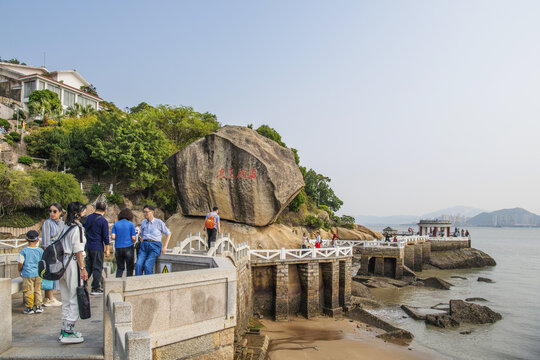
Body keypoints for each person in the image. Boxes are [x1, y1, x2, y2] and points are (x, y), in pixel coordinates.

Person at [58, 201, 88, 344]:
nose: (84, 212)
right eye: (82, 210)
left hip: (62, 264)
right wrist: (83, 268)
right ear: (77, 213)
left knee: (65, 297)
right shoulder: (77, 228)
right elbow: (78, 250)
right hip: (72, 264)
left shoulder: (65, 226)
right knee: (76, 296)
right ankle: (68, 332)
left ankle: (64, 329)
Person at [135, 205, 171, 276]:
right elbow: (142, 235)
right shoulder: (143, 222)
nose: (145, 214)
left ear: (152, 212)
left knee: (147, 265)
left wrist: (164, 247)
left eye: (147, 212)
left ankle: (148, 283)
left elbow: (168, 233)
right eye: (144, 212)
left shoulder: (159, 222)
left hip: (154, 245)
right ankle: (138, 283)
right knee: (138, 265)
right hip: (144, 245)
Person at [83, 202, 110, 295]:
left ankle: (83, 283)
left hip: (88, 246)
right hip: (97, 246)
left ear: (95, 208)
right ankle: (95, 287)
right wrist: (107, 249)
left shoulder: (88, 218)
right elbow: (106, 237)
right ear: (105, 210)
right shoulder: (103, 221)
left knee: (89, 266)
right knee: (97, 267)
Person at [41, 202, 64, 307]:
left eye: (54, 211)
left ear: (60, 212)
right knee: (49, 273)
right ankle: (48, 298)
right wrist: (48, 252)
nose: (52, 213)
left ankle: (49, 297)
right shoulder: (47, 223)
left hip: (59, 250)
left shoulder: (62, 223)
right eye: (50, 211)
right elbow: (45, 241)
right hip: (50, 251)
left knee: (55, 272)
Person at [18, 230, 44, 314]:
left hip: (27, 274)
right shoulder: (40, 251)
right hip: (38, 273)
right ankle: (38, 306)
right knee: (38, 290)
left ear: (26, 239)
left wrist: (19, 270)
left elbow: (20, 263)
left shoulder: (24, 251)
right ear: (37, 240)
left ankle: (29, 307)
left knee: (28, 290)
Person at [111, 208, 136, 278]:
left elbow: (113, 237)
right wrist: (134, 241)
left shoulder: (116, 224)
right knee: (130, 268)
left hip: (118, 248)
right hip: (129, 247)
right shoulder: (131, 225)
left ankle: (117, 283)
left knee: (120, 268)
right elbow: (133, 238)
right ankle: (128, 284)